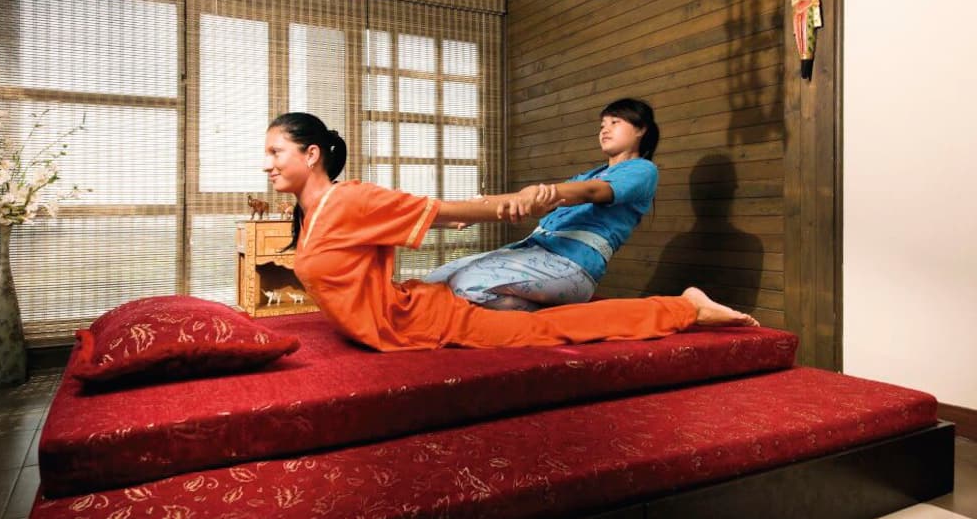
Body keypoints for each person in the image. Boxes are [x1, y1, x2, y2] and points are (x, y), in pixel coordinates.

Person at [264, 111, 757, 353]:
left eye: (276, 153)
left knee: (542, 328)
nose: (267, 165)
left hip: (561, 267)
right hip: (520, 257)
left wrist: (518, 200)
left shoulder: (349, 200)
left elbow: (449, 211)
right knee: (448, 279)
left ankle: (685, 307)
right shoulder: (312, 212)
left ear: (312, 155)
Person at [422, 98, 660, 311]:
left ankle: (550, 316)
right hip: (533, 250)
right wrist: (473, 208)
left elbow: (590, 192)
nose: (605, 130)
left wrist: (534, 193)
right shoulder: (587, 175)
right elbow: (534, 199)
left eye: (615, 122)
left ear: (641, 129)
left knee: (465, 286)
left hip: (572, 265)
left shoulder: (642, 170)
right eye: (602, 125)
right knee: (434, 282)